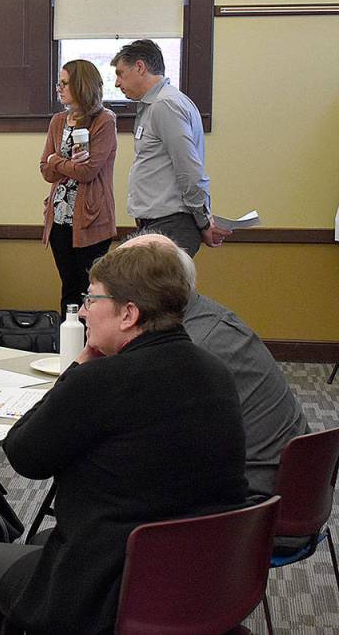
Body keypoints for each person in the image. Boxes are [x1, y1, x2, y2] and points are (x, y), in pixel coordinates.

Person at [0, 244, 248, 634]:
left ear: (129, 314)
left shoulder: (100, 381)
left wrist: (78, 366)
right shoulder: (217, 372)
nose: (84, 311)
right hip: (205, 577)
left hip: (108, 588)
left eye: (92, 298)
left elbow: (22, 454)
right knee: (40, 541)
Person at [120, 233, 309, 496]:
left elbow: (141, 443)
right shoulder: (205, 314)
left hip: (253, 501)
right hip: (293, 482)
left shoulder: (189, 348)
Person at [112, 38, 229, 257]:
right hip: (160, 223)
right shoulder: (155, 105)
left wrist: (204, 221)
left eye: (120, 73)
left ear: (140, 67)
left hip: (172, 224)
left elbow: (189, 170)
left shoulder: (165, 105)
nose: (117, 83)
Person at [41, 59, 117, 316]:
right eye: (58, 83)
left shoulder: (104, 121)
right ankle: (69, 340)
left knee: (90, 292)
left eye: (64, 83)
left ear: (81, 85)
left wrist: (56, 160)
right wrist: (63, 163)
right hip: (59, 219)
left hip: (92, 221)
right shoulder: (58, 121)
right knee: (69, 290)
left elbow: (87, 172)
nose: (59, 88)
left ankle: (91, 340)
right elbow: (45, 170)